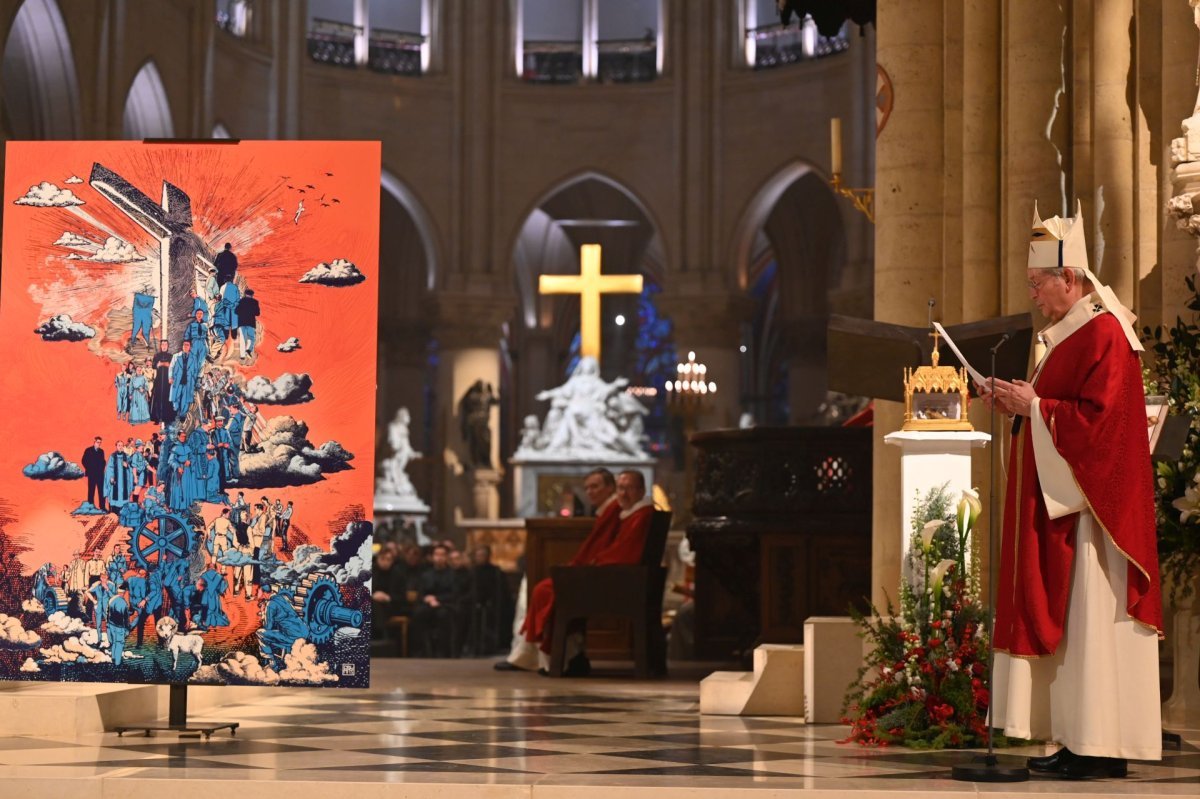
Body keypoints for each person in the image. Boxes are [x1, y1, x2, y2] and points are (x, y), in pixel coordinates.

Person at [980, 202, 1162, 779]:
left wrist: (1033, 406)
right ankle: (1073, 736)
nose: (1033, 294)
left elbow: (1103, 425)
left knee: (1091, 624)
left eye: (1039, 283)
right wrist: (1020, 404)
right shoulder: (1065, 337)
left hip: (1093, 515)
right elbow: (1058, 410)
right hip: (1067, 502)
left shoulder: (1106, 331)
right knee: (1072, 629)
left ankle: (1100, 743)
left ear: (1071, 278)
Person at [496, 467, 620, 673]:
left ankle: (553, 658)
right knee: (540, 587)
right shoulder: (607, 511)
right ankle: (552, 656)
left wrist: (576, 567)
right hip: (594, 574)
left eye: (595, 486)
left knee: (543, 589)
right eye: (587, 487)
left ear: (610, 488)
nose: (590, 492)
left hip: (601, 577)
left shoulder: (613, 510)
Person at [411, 544, 459, 657]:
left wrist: (437, 599)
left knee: (443, 615)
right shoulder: (426, 574)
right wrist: (427, 599)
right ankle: (423, 650)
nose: (439, 557)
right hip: (428, 604)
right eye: (437, 554)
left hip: (446, 605)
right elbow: (421, 593)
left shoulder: (453, 575)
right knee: (418, 614)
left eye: (442, 555)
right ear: (432, 557)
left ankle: (442, 652)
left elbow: (454, 594)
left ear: (447, 557)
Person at [256, 581, 306, 671]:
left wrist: (264, 614)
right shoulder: (283, 598)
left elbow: (268, 627)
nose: (256, 593)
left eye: (258, 591)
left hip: (292, 636)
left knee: (260, 633)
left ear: (263, 592)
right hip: (303, 632)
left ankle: (272, 663)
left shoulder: (270, 605)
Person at [169, 340, 198, 417]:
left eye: (187, 345)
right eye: (184, 345)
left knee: (185, 400)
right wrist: (170, 377)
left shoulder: (193, 358)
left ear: (190, 347)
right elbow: (171, 367)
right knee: (176, 397)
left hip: (188, 382)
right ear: (182, 346)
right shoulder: (176, 356)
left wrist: (194, 380)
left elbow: (196, 370)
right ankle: (175, 411)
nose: (185, 346)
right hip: (177, 380)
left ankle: (183, 415)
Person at [150, 341, 176, 425]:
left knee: (167, 398)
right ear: (160, 346)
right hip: (158, 381)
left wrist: (162, 364)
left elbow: (172, 366)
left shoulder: (171, 356)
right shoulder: (156, 356)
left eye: (165, 345)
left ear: (168, 346)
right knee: (158, 398)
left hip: (167, 381)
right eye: (162, 345)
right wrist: (162, 364)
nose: (164, 346)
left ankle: (167, 417)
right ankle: (157, 417)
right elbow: (154, 365)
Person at [103, 441, 134, 511]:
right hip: (115, 480)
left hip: (124, 481)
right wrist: (111, 477)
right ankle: (113, 511)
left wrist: (127, 466)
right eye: (119, 445)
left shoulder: (126, 456)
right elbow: (109, 468)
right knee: (114, 494)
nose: (120, 447)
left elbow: (131, 468)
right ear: (116, 446)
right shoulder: (112, 456)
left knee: (124, 495)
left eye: (121, 445)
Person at [81, 436, 107, 511]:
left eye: (100, 443)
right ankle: (90, 506)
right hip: (92, 474)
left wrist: (102, 467)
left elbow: (103, 461)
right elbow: (83, 461)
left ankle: (102, 507)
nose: (99, 444)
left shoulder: (101, 451)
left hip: (100, 474)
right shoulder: (88, 450)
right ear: (94, 442)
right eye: (98, 442)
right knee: (91, 490)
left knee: (101, 491)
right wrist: (89, 468)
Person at [236, 289, 260, 360]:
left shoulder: (241, 301)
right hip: (250, 322)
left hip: (242, 322)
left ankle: (242, 355)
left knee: (242, 339)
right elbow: (257, 313)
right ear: (252, 295)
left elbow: (236, 311)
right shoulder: (255, 302)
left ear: (245, 294)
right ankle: (248, 350)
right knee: (251, 337)